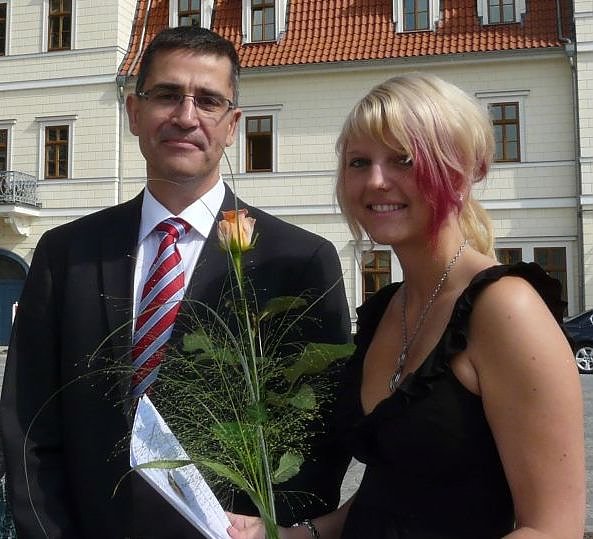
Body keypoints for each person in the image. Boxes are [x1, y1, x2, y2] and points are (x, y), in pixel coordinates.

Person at [0, 26, 352, 539]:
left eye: (208, 101)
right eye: (166, 95)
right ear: (134, 112)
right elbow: (28, 420)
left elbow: (320, 433)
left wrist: (274, 531)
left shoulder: (298, 261)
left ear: (232, 125)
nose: (186, 116)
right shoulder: (66, 254)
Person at [227, 73, 586, 538]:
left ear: (467, 170)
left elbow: (552, 529)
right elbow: (395, 490)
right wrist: (288, 534)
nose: (376, 181)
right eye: (359, 162)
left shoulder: (504, 308)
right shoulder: (386, 309)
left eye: (405, 159)